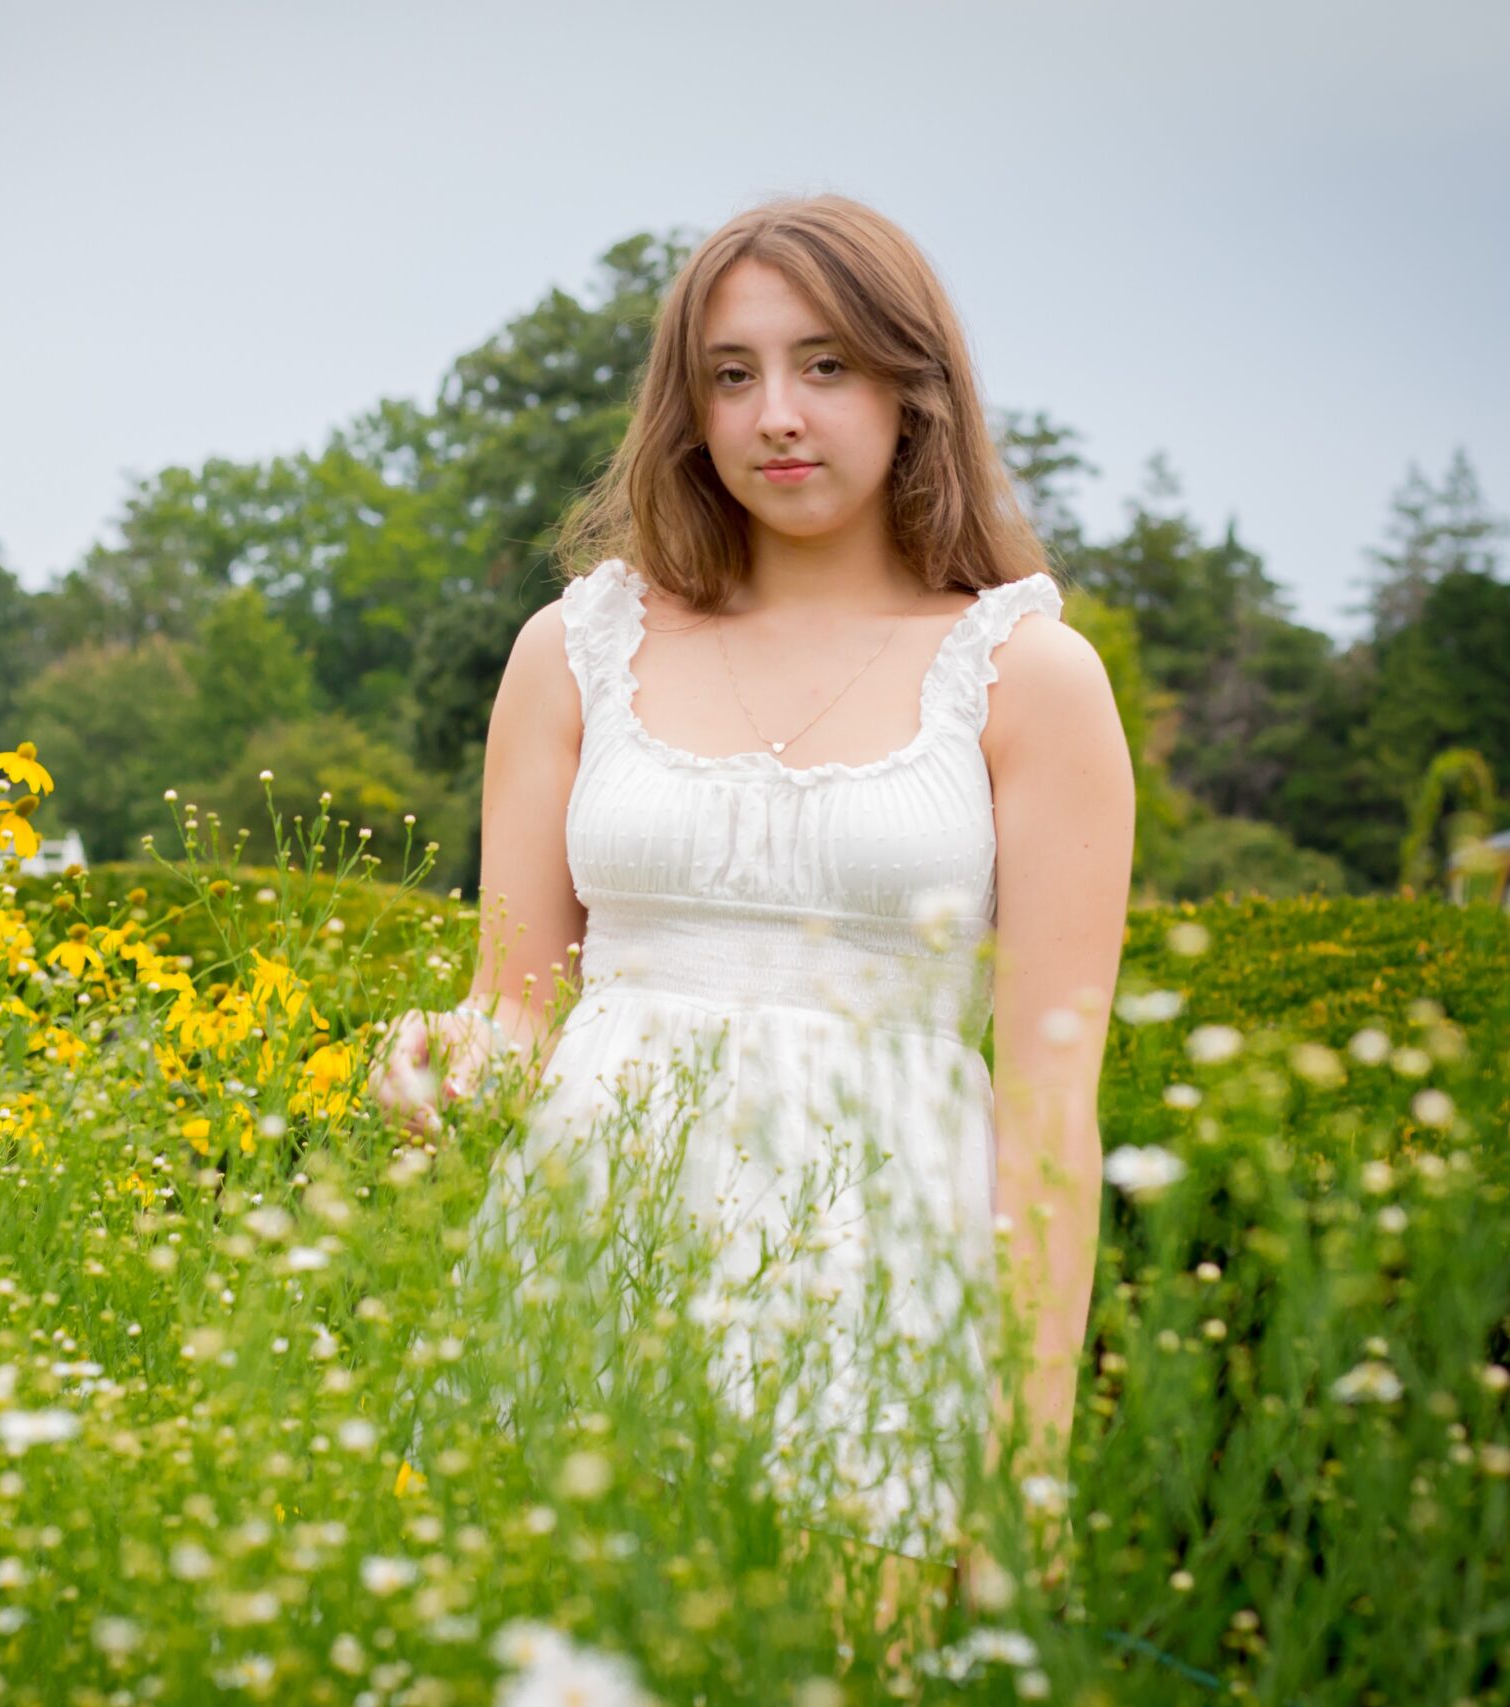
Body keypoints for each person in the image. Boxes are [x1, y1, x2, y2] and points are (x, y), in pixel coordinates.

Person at [367, 194, 1134, 1649]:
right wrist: (441, 1059)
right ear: (689, 407)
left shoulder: (1029, 677)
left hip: (881, 1276)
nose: (778, 414)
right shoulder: (573, 649)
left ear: (918, 390)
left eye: (827, 364)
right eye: (733, 373)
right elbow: (518, 1009)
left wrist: (1026, 1465)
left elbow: (1051, 1116)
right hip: (588, 1250)